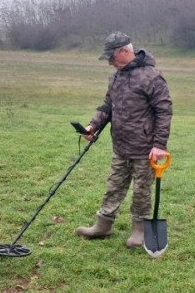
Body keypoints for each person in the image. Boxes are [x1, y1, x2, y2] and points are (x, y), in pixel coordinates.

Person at [76, 31, 173, 248]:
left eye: (112, 57)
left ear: (125, 51)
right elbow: (108, 106)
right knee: (114, 185)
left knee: (141, 190)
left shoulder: (151, 76)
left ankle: (139, 230)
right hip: (120, 145)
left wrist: (159, 145)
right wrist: (93, 125)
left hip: (145, 147)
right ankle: (104, 224)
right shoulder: (116, 77)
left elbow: (164, 111)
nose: (110, 63)